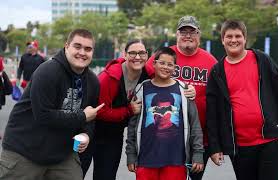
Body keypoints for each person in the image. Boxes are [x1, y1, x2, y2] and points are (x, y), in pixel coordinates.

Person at [83, 39, 195, 180]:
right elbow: (99, 112)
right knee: (79, 171)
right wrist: (128, 110)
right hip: (92, 129)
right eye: (133, 53)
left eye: (142, 53)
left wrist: (188, 88)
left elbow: (166, 78)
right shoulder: (109, 77)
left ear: (147, 56)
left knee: (106, 174)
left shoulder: (147, 73)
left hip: (113, 133)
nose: (137, 57)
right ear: (125, 54)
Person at [0, 29, 103, 180]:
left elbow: (90, 116)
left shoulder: (93, 82)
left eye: (88, 49)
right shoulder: (48, 72)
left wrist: (85, 133)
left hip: (62, 155)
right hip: (24, 151)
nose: (82, 52)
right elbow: (44, 116)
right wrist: (82, 116)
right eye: (77, 46)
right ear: (66, 46)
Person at [206, 20, 278, 180]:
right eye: (229, 36)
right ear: (222, 40)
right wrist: (215, 147)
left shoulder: (262, 60)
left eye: (238, 36)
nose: (234, 40)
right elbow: (212, 113)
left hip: (271, 140)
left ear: (245, 39)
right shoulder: (217, 72)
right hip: (240, 147)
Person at [146, 15, 217, 180]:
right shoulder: (164, 56)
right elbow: (142, 77)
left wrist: (216, 143)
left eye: (192, 32)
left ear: (199, 35)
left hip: (198, 137)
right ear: (176, 34)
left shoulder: (211, 61)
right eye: (183, 31)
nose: (188, 36)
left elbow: (219, 99)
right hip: (166, 133)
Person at [126, 47, 204, 180]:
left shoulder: (183, 90)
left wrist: (198, 153)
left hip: (176, 161)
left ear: (175, 68)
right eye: (162, 63)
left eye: (170, 64)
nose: (165, 67)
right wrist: (131, 154)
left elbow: (195, 125)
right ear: (154, 63)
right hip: (146, 160)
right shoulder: (141, 90)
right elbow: (132, 126)